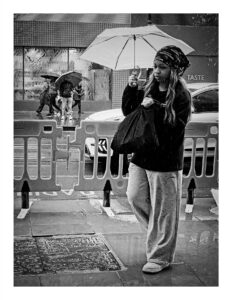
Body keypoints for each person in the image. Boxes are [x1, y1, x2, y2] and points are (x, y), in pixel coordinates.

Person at [122, 45, 192, 274]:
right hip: (142, 156)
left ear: (174, 70)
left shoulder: (182, 95)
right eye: (155, 66)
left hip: (165, 160)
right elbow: (129, 111)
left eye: (162, 67)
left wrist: (156, 109)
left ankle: (160, 256)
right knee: (134, 197)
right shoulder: (148, 87)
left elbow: (174, 129)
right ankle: (159, 237)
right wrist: (132, 88)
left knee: (164, 210)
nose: (156, 71)